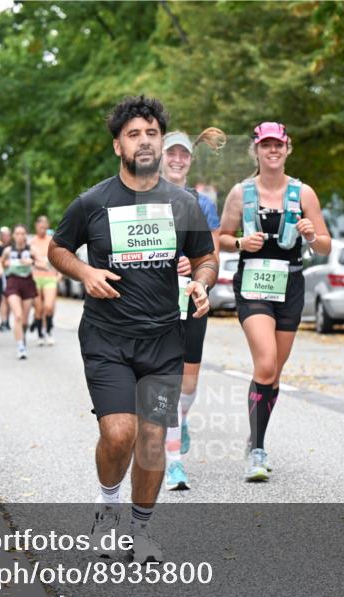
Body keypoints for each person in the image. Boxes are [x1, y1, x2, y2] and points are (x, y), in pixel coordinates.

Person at [49, 96, 217, 563]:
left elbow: (206, 259)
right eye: (134, 134)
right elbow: (57, 249)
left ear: (161, 142)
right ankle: (107, 508)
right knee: (120, 433)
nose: (144, 141)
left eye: (152, 133)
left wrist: (202, 285)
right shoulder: (93, 202)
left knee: (151, 441)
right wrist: (84, 273)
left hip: (164, 339)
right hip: (107, 337)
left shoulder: (183, 204)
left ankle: (140, 531)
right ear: (118, 144)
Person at [218, 122, 331, 482]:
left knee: (274, 373)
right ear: (256, 149)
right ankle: (257, 450)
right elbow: (219, 237)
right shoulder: (241, 193)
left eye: (277, 145)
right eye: (265, 145)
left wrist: (313, 236)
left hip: (290, 283)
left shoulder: (304, 193)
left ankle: (256, 432)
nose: (272, 151)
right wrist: (239, 244)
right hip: (252, 283)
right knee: (265, 364)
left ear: (288, 148)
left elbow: (326, 245)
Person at [159, 127, 226, 491]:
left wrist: (197, 272)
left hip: (191, 299)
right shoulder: (146, 197)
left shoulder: (202, 203)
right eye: (172, 153)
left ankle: (180, 421)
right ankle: (174, 463)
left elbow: (210, 258)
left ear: (190, 159)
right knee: (168, 381)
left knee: (188, 381)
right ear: (159, 156)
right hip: (156, 302)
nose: (178, 159)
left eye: (184, 154)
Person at [2, 224, 38, 360]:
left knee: (24, 320)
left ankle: (22, 338)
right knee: (17, 316)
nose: (20, 236)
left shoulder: (31, 249)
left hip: (27, 283)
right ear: (13, 236)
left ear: (26, 235)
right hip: (13, 283)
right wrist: (4, 265)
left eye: (23, 233)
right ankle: (20, 346)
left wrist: (32, 261)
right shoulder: (8, 250)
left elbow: (40, 261)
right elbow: (1, 262)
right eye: (17, 233)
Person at [30, 215, 59, 346]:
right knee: (38, 308)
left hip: (50, 277)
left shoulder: (52, 240)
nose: (42, 229)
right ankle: (40, 334)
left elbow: (58, 258)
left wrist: (60, 274)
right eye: (40, 227)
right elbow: (29, 260)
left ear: (47, 227)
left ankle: (48, 331)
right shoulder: (32, 242)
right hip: (36, 277)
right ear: (36, 227)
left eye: (45, 227)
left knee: (48, 306)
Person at [0, 226, 13, 331]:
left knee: (10, 300)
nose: (5, 237)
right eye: (3, 235)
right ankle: (3, 321)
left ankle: (7, 321)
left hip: (11, 275)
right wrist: (2, 263)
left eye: (7, 235)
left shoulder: (12, 247)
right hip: (1, 276)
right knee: (3, 299)